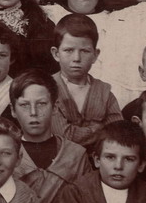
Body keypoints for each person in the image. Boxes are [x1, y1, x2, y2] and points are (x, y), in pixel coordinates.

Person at [7, 69, 89, 203]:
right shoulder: (3, 155)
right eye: (24, 105)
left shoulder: (76, 155)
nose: (33, 113)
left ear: (55, 107)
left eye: (42, 104)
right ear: (12, 110)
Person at [50, 13, 123, 147]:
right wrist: (98, 129)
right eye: (69, 50)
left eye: (84, 51)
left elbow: (116, 133)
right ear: (56, 54)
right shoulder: (48, 89)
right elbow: (65, 136)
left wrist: (82, 132)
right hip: (60, 162)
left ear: (95, 55)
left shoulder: (104, 93)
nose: (77, 58)